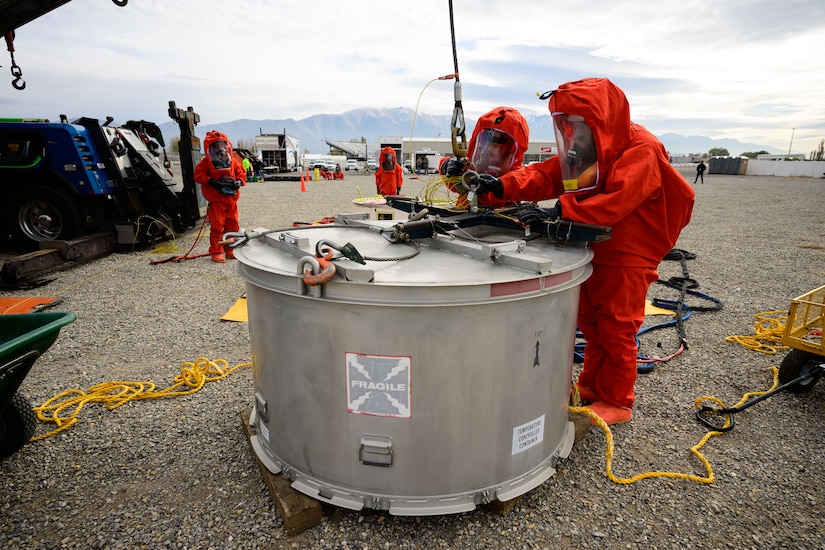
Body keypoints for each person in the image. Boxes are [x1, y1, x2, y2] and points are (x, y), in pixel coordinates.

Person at [465, 78, 695, 425]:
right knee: (591, 321)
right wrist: (500, 184)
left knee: (617, 327)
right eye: (566, 124)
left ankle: (618, 400)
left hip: (630, 251)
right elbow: (545, 175)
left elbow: (616, 200)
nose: (571, 132)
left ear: (599, 121)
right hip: (596, 242)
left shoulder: (642, 148)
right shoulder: (590, 149)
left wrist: (558, 211)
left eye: (576, 124)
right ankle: (592, 386)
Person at [441, 106, 530, 208]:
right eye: (486, 142)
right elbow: (456, 183)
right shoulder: (472, 168)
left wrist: (496, 186)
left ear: (513, 151)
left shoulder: (518, 182)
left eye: (499, 146)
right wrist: (446, 165)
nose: (491, 150)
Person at [194, 130, 246, 263]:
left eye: (222, 145)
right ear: (210, 147)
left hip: (231, 200)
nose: (220, 149)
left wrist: (238, 182)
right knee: (217, 226)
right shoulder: (206, 162)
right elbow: (198, 176)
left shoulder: (232, 161)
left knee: (232, 226)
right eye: (216, 146)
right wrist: (211, 181)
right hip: (217, 200)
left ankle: (229, 250)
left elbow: (241, 173)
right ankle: (216, 251)